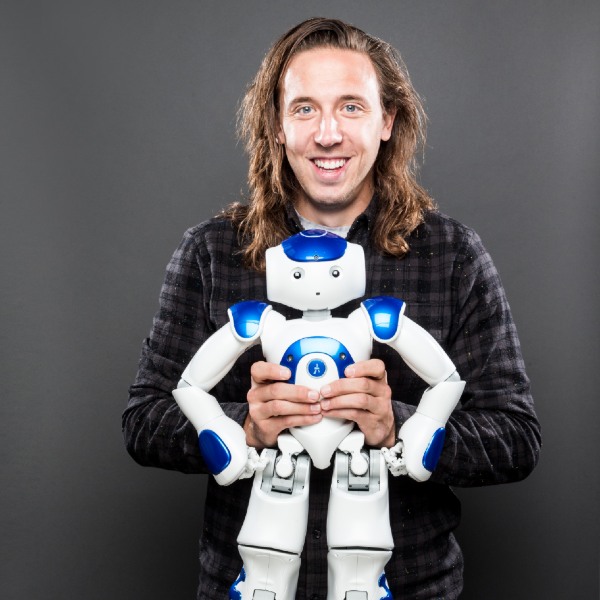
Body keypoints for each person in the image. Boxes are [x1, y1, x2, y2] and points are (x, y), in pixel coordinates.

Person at [123, 17, 541, 599]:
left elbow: (515, 437)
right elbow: (143, 421)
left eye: (350, 107)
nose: (327, 134)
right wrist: (241, 426)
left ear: (387, 120)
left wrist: (401, 425)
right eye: (303, 109)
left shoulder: (450, 255)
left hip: (410, 584)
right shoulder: (213, 252)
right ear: (276, 125)